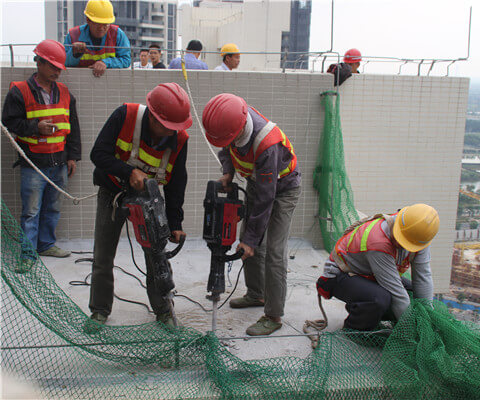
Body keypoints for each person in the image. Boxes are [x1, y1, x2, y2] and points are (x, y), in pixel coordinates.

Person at [88, 83, 191, 330]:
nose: (171, 132)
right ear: (154, 117)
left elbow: (177, 184)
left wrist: (175, 223)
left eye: (175, 128)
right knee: (103, 254)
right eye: (167, 127)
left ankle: (164, 311)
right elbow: (98, 154)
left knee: (156, 255)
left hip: (149, 200)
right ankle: (99, 311)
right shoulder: (125, 115)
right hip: (113, 192)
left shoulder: (179, 139)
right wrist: (128, 171)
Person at [202, 93, 301, 336]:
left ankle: (274, 315)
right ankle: (256, 294)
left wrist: (251, 240)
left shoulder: (268, 144)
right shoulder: (232, 121)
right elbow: (226, 149)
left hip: (284, 190)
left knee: (273, 252)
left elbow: (268, 199)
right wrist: (227, 172)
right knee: (249, 238)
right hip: (259, 183)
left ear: (239, 130)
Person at [1, 40, 81, 269]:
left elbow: (73, 128)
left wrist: (72, 157)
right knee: (31, 211)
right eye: (53, 67)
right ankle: (28, 254)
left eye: (59, 68)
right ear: (40, 63)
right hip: (34, 162)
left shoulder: (65, 93)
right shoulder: (20, 91)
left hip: (59, 161)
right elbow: (9, 123)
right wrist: (36, 127)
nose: (57, 72)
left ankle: (46, 244)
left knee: (53, 206)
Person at [316, 204, 440, 331]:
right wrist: (411, 331)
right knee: (380, 299)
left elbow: (423, 280)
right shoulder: (378, 242)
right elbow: (397, 294)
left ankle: (364, 311)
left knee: (413, 294)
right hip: (339, 275)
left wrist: (427, 321)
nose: (399, 243)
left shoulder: (419, 238)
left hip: (370, 273)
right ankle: (354, 328)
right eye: (400, 239)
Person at [64, 0, 131, 77]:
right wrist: (74, 54)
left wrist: (105, 62)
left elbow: (126, 60)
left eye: (105, 24)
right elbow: (63, 62)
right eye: (97, 24)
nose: (101, 28)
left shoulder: (117, 35)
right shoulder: (74, 36)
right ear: (88, 20)